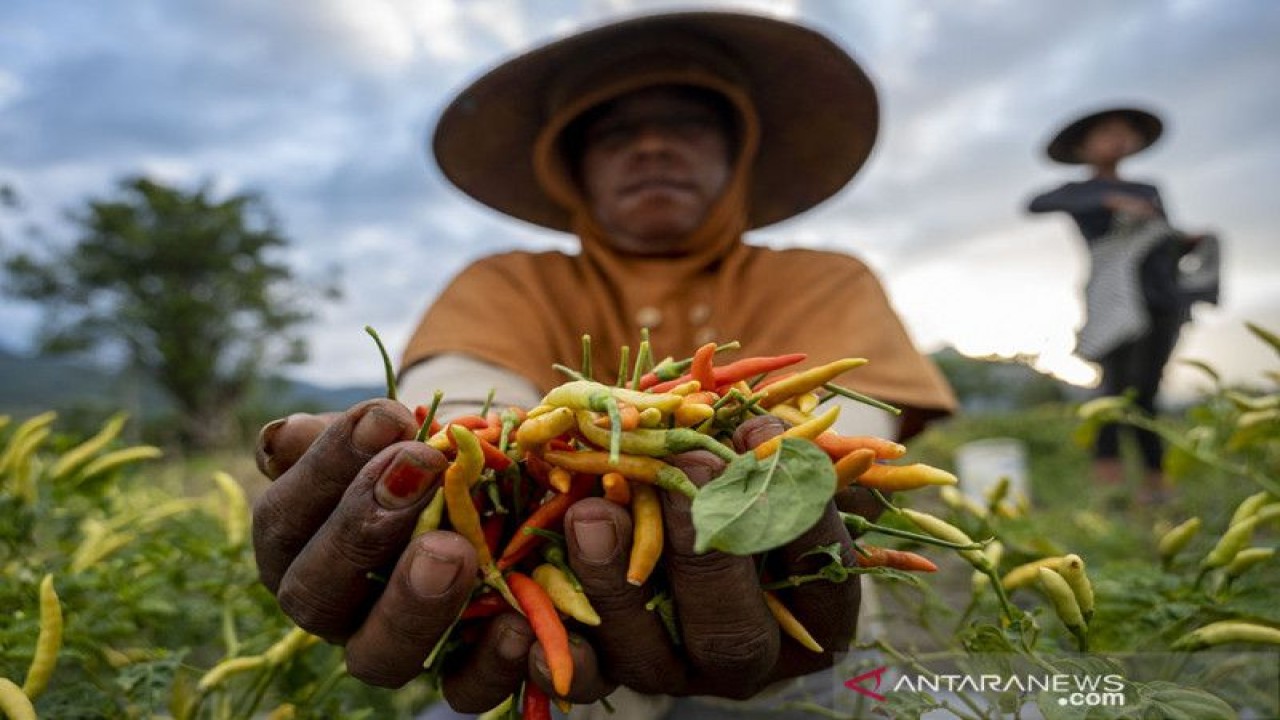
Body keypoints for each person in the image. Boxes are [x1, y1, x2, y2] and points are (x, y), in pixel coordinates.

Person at [252, 10, 956, 719]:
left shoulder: (824, 280)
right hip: (558, 653)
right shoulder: (506, 284)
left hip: (799, 638)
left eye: (686, 122)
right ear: (574, 166)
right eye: (615, 131)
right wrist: (449, 465)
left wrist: (795, 479)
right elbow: (465, 421)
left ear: (736, 152)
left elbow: (843, 436)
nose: (651, 145)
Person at [1026, 106, 1217, 508]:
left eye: (1125, 132)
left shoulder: (1148, 189)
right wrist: (1111, 200)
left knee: (1145, 392)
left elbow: (1162, 242)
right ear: (1085, 146)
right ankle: (1109, 482)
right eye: (1109, 132)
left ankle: (1155, 483)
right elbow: (1035, 203)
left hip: (1160, 301)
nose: (1119, 139)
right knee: (1113, 388)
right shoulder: (1079, 193)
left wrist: (1187, 243)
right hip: (1114, 303)